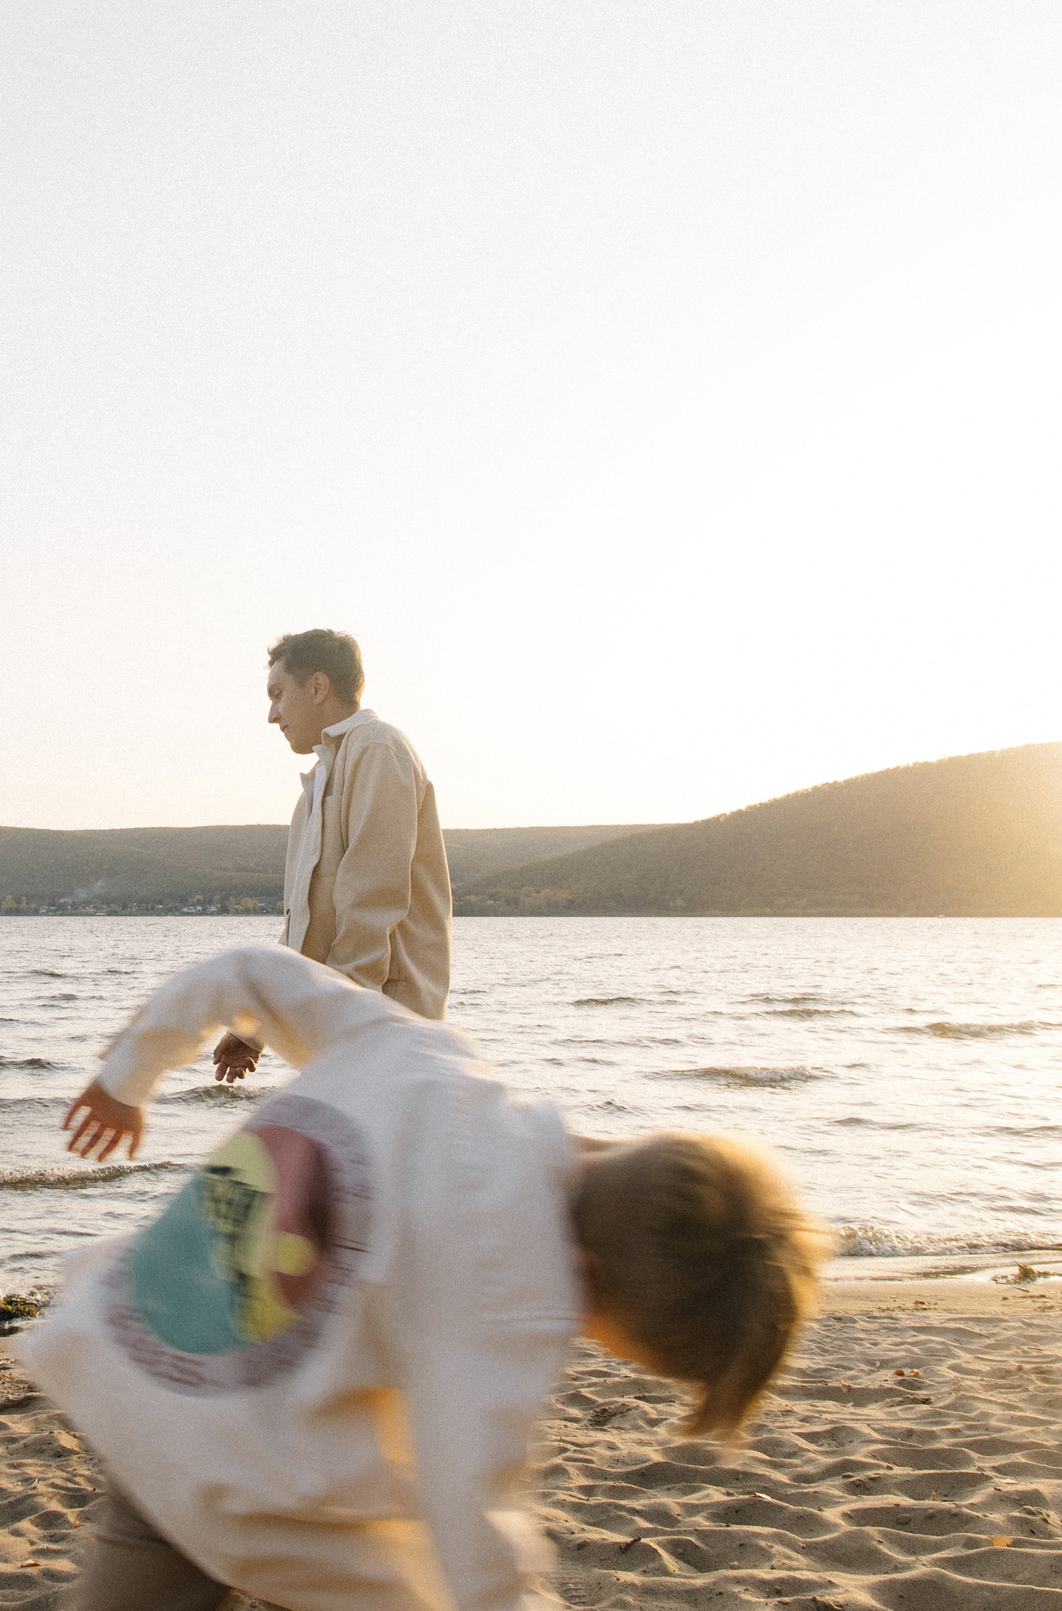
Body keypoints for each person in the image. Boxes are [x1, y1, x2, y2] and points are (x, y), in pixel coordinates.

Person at [42, 941, 828, 1611]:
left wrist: (128, 1074)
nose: (576, 1340)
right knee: (401, 1574)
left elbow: (248, 970)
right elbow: (471, 1503)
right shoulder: (511, 1288)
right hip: (229, 1464)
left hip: (127, 1345)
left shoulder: (430, 1056)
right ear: (585, 1279)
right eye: (605, 1340)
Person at [214, 630, 450, 1086]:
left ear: (318, 687)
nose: (271, 714)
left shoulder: (377, 748)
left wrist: (346, 1032)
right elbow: (304, 931)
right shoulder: (318, 784)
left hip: (387, 1029)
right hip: (350, 1034)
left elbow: (371, 904)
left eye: (279, 694)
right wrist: (257, 1028)